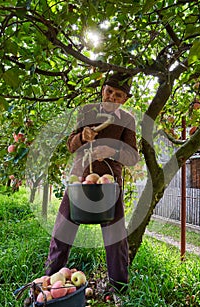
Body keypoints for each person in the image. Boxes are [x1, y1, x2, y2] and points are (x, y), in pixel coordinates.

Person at [45, 72, 139, 295]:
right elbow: (70, 145)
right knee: (62, 232)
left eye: (118, 95)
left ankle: (119, 289)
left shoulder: (127, 120)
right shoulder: (86, 111)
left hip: (109, 185)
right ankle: (49, 284)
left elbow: (133, 157)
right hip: (80, 180)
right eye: (109, 91)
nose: (111, 98)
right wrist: (81, 137)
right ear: (102, 90)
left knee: (116, 239)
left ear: (125, 99)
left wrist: (112, 151)